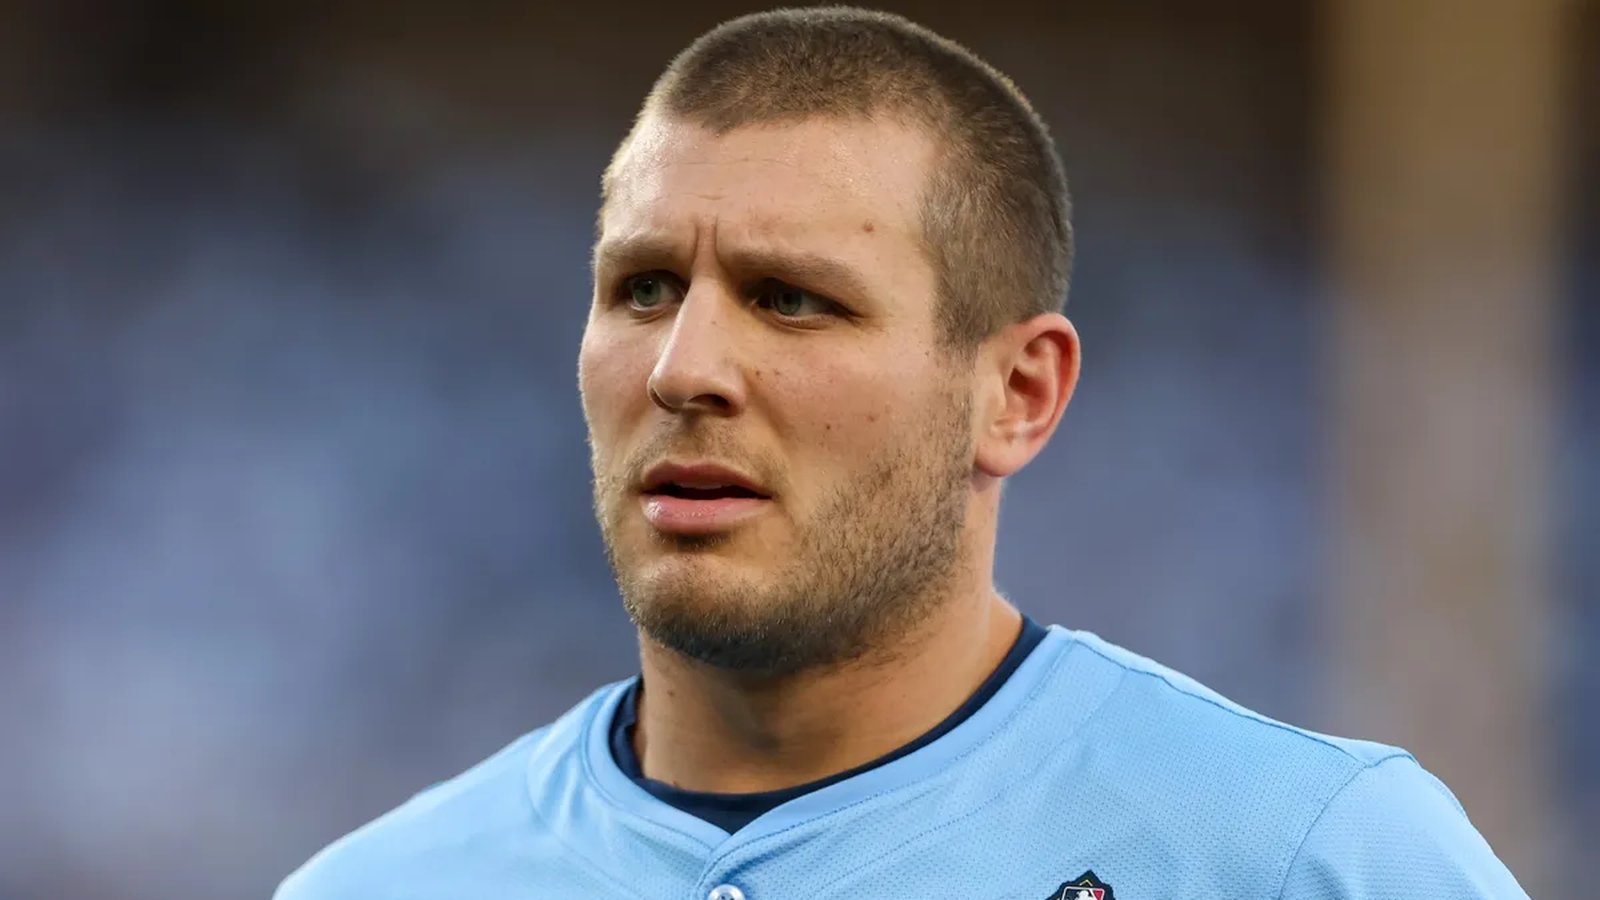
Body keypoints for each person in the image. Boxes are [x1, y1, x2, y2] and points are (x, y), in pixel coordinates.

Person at [276, 8, 1529, 899]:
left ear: (1016, 395)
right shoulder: (380, 885)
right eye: (645, 288)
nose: (683, 367)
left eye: (792, 298)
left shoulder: (1301, 857)